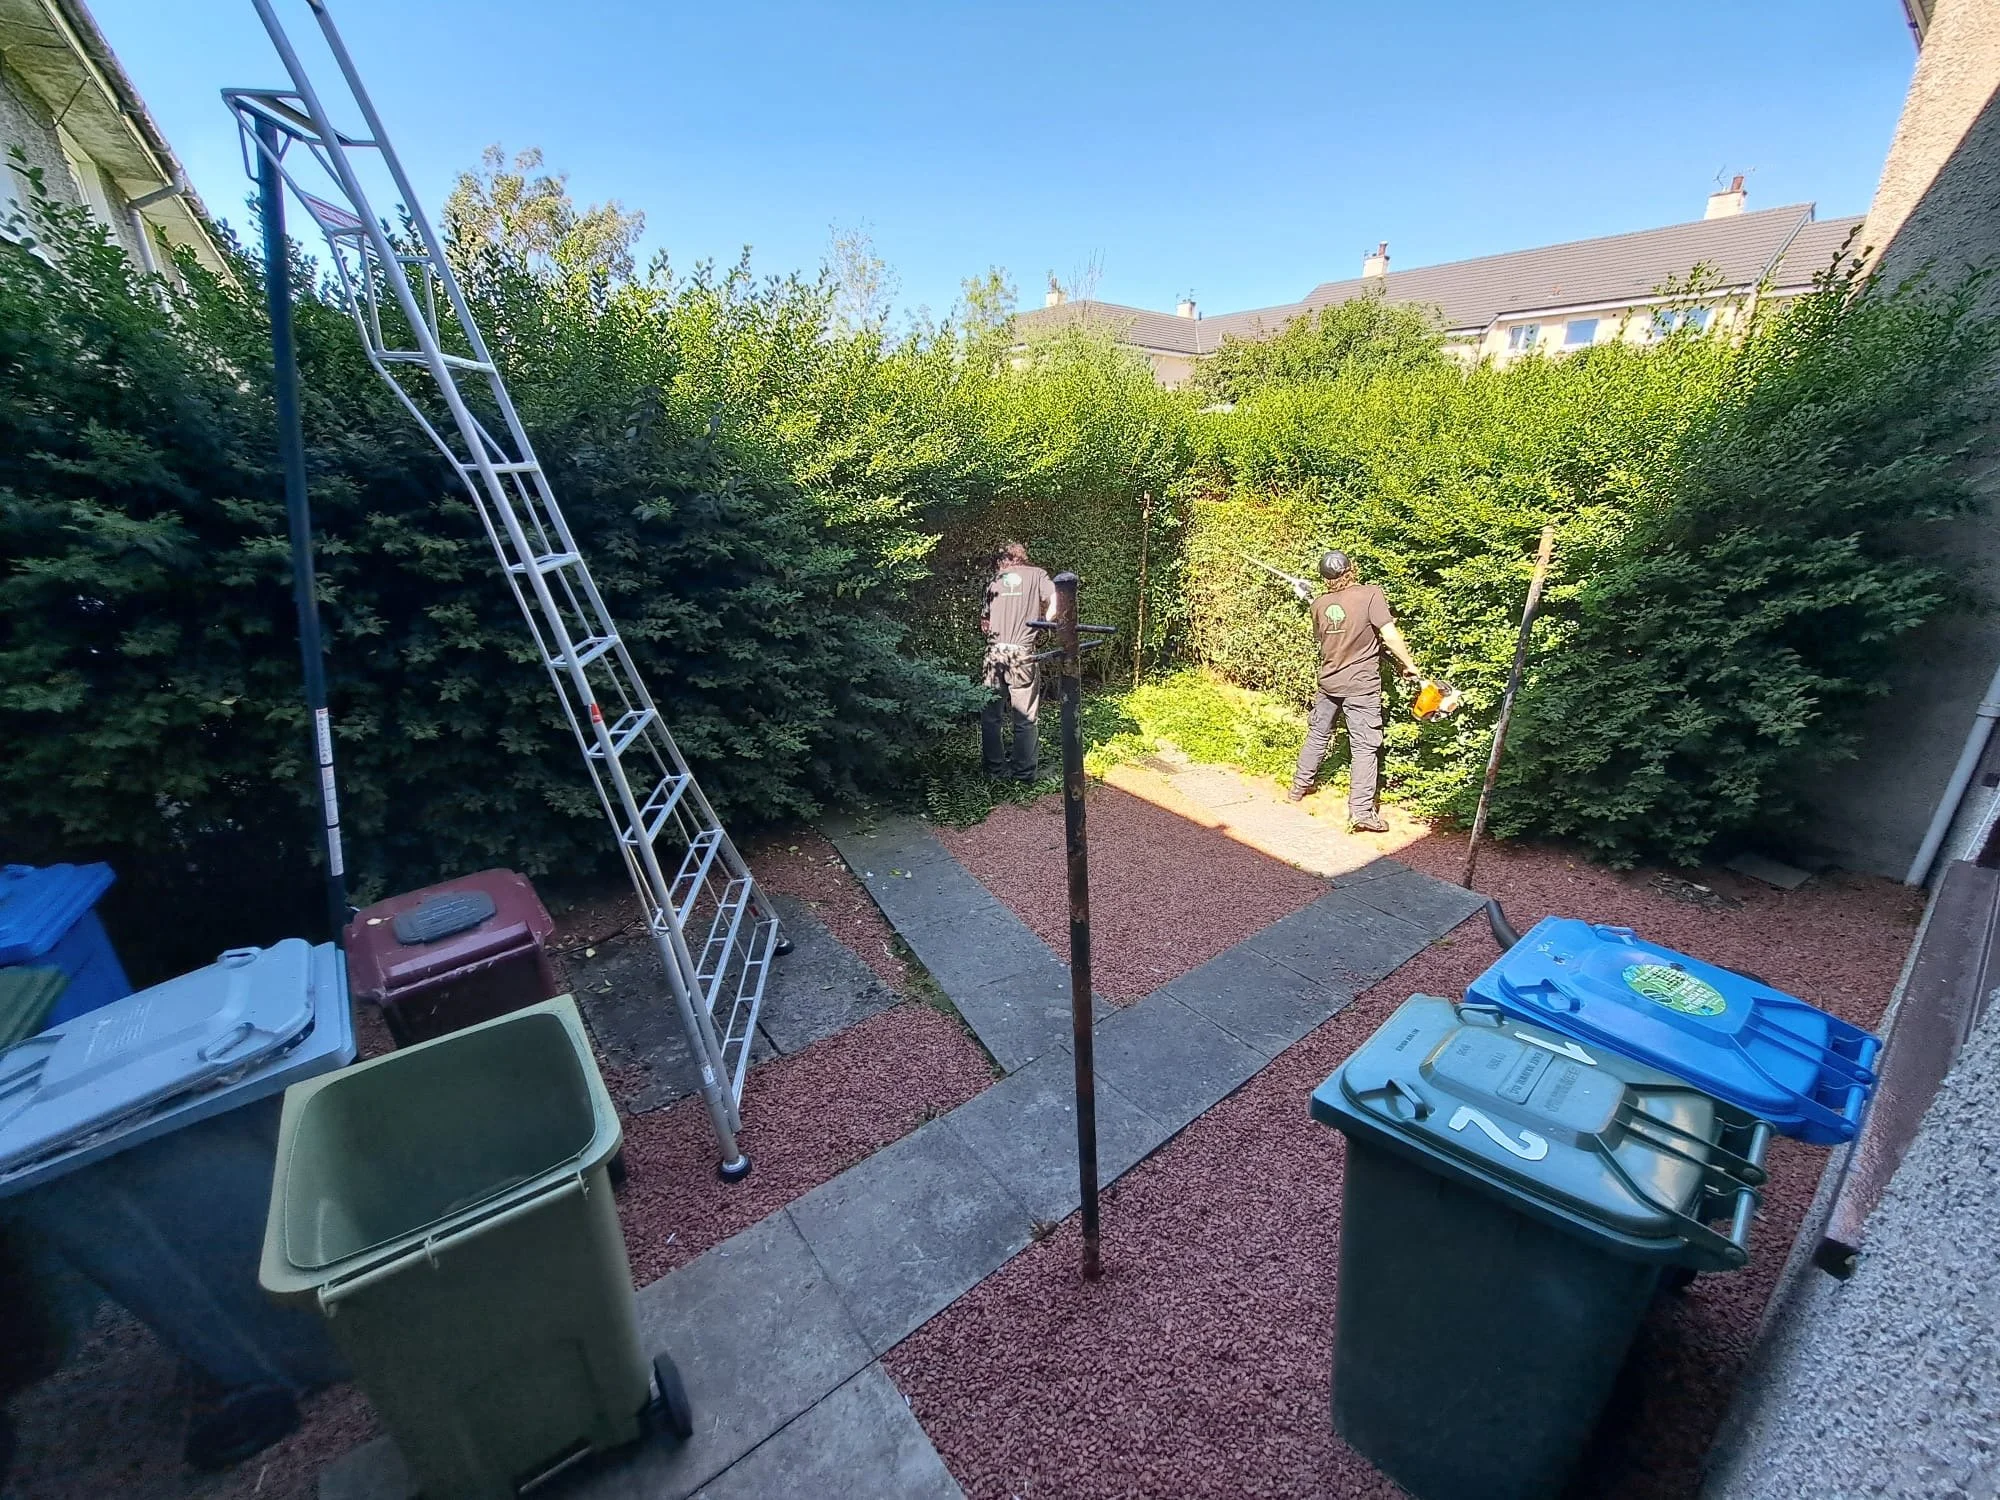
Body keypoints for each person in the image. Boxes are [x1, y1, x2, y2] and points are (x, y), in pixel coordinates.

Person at [1285, 550, 1423, 832]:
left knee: (1318, 732)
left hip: (1328, 681)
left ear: (1325, 577)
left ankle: (1298, 787)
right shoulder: (1371, 594)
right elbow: (1389, 634)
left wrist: (1311, 597)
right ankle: (1361, 813)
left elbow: (1329, 631)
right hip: (1360, 684)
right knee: (1364, 746)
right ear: (1352, 569)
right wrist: (1410, 665)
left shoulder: (1319, 604)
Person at [980, 541, 1059, 780]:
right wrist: (1048, 618)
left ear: (1002, 561)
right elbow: (1057, 595)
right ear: (1022, 558)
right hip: (1022, 653)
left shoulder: (995, 580)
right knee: (1024, 717)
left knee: (991, 716)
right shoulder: (1037, 575)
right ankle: (1023, 774)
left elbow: (985, 622)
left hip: (994, 653)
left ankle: (994, 771)